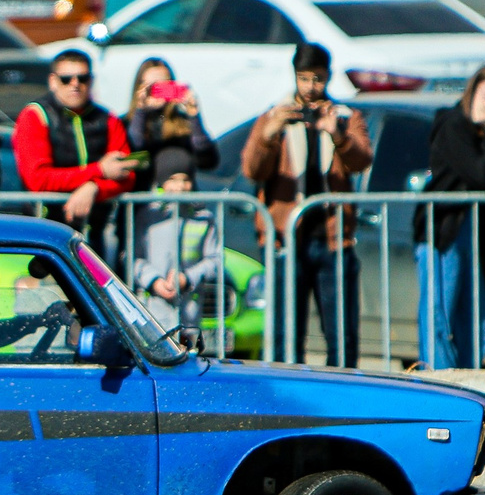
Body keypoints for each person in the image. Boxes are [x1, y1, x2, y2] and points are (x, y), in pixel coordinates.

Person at [242, 44, 373, 367]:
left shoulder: (344, 116)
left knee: (341, 335)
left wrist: (338, 135)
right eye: (304, 79)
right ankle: (287, 403)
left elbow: (362, 160)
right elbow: (252, 170)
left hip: (332, 239)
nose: (311, 88)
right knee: (285, 334)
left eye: (317, 79)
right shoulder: (276, 115)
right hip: (286, 240)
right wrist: (270, 134)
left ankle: (342, 399)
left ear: (327, 77)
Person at [418, 65, 485, 369]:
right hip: (443, 229)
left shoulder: (482, 132)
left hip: (471, 230)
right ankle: (441, 382)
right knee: (440, 313)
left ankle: (468, 380)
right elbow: (483, 176)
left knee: (473, 317)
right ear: (472, 94)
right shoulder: (453, 125)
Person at [14, 50, 136, 238]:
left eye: (83, 78)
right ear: (53, 81)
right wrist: (99, 171)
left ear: (91, 81)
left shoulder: (108, 119)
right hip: (45, 233)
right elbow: (38, 179)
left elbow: (127, 175)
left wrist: (94, 188)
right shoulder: (35, 116)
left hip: (95, 231)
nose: (75, 84)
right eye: (66, 79)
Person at [130, 157, 236, 334]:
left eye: (185, 180)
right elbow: (132, 258)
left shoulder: (203, 218)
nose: (179, 186)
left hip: (190, 315)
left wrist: (187, 278)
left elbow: (215, 259)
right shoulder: (148, 217)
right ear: (161, 181)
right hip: (152, 312)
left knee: (188, 354)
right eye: (172, 179)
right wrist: (154, 281)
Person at [123, 58, 218, 188]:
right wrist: (141, 111)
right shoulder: (127, 123)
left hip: (180, 200)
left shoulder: (183, 123)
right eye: (152, 87)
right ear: (139, 89)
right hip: (142, 200)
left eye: (164, 85)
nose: (158, 92)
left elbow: (208, 161)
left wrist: (194, 116)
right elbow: (133, 148)